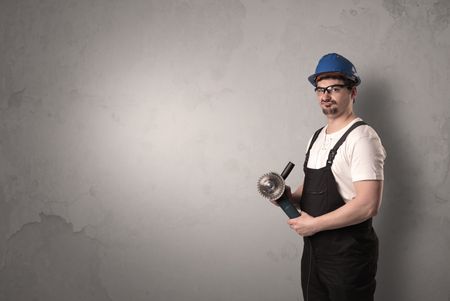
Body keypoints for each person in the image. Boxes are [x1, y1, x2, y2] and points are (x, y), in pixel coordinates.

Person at [285, 53, 386, 301]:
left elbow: (368, 205)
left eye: (334, 88)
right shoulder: (316, 137)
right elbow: (313, 187)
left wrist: (314, 224)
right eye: (320, 90)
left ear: (353, 92)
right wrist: (289, 196)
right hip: (314, 253)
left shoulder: (362, 138)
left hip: (348, 255)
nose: (325, 96)